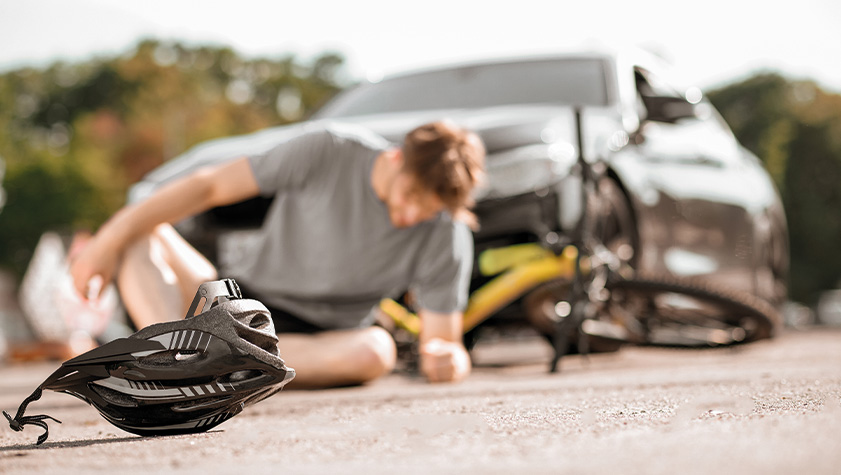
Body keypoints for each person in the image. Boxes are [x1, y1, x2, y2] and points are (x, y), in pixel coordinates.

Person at [69, 120, 486, 388]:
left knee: (377, 352)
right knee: (142, 231)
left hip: (315, 337)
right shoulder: (328, 149)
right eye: (411, 195)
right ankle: (170, 362)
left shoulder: (446, 232)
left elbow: (443, 343)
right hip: (237, 301)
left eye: (428, 209)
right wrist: (106, 242)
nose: (411, 216)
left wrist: (449, 360)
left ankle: (209, 364)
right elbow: (210, 185)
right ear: (396, 157)